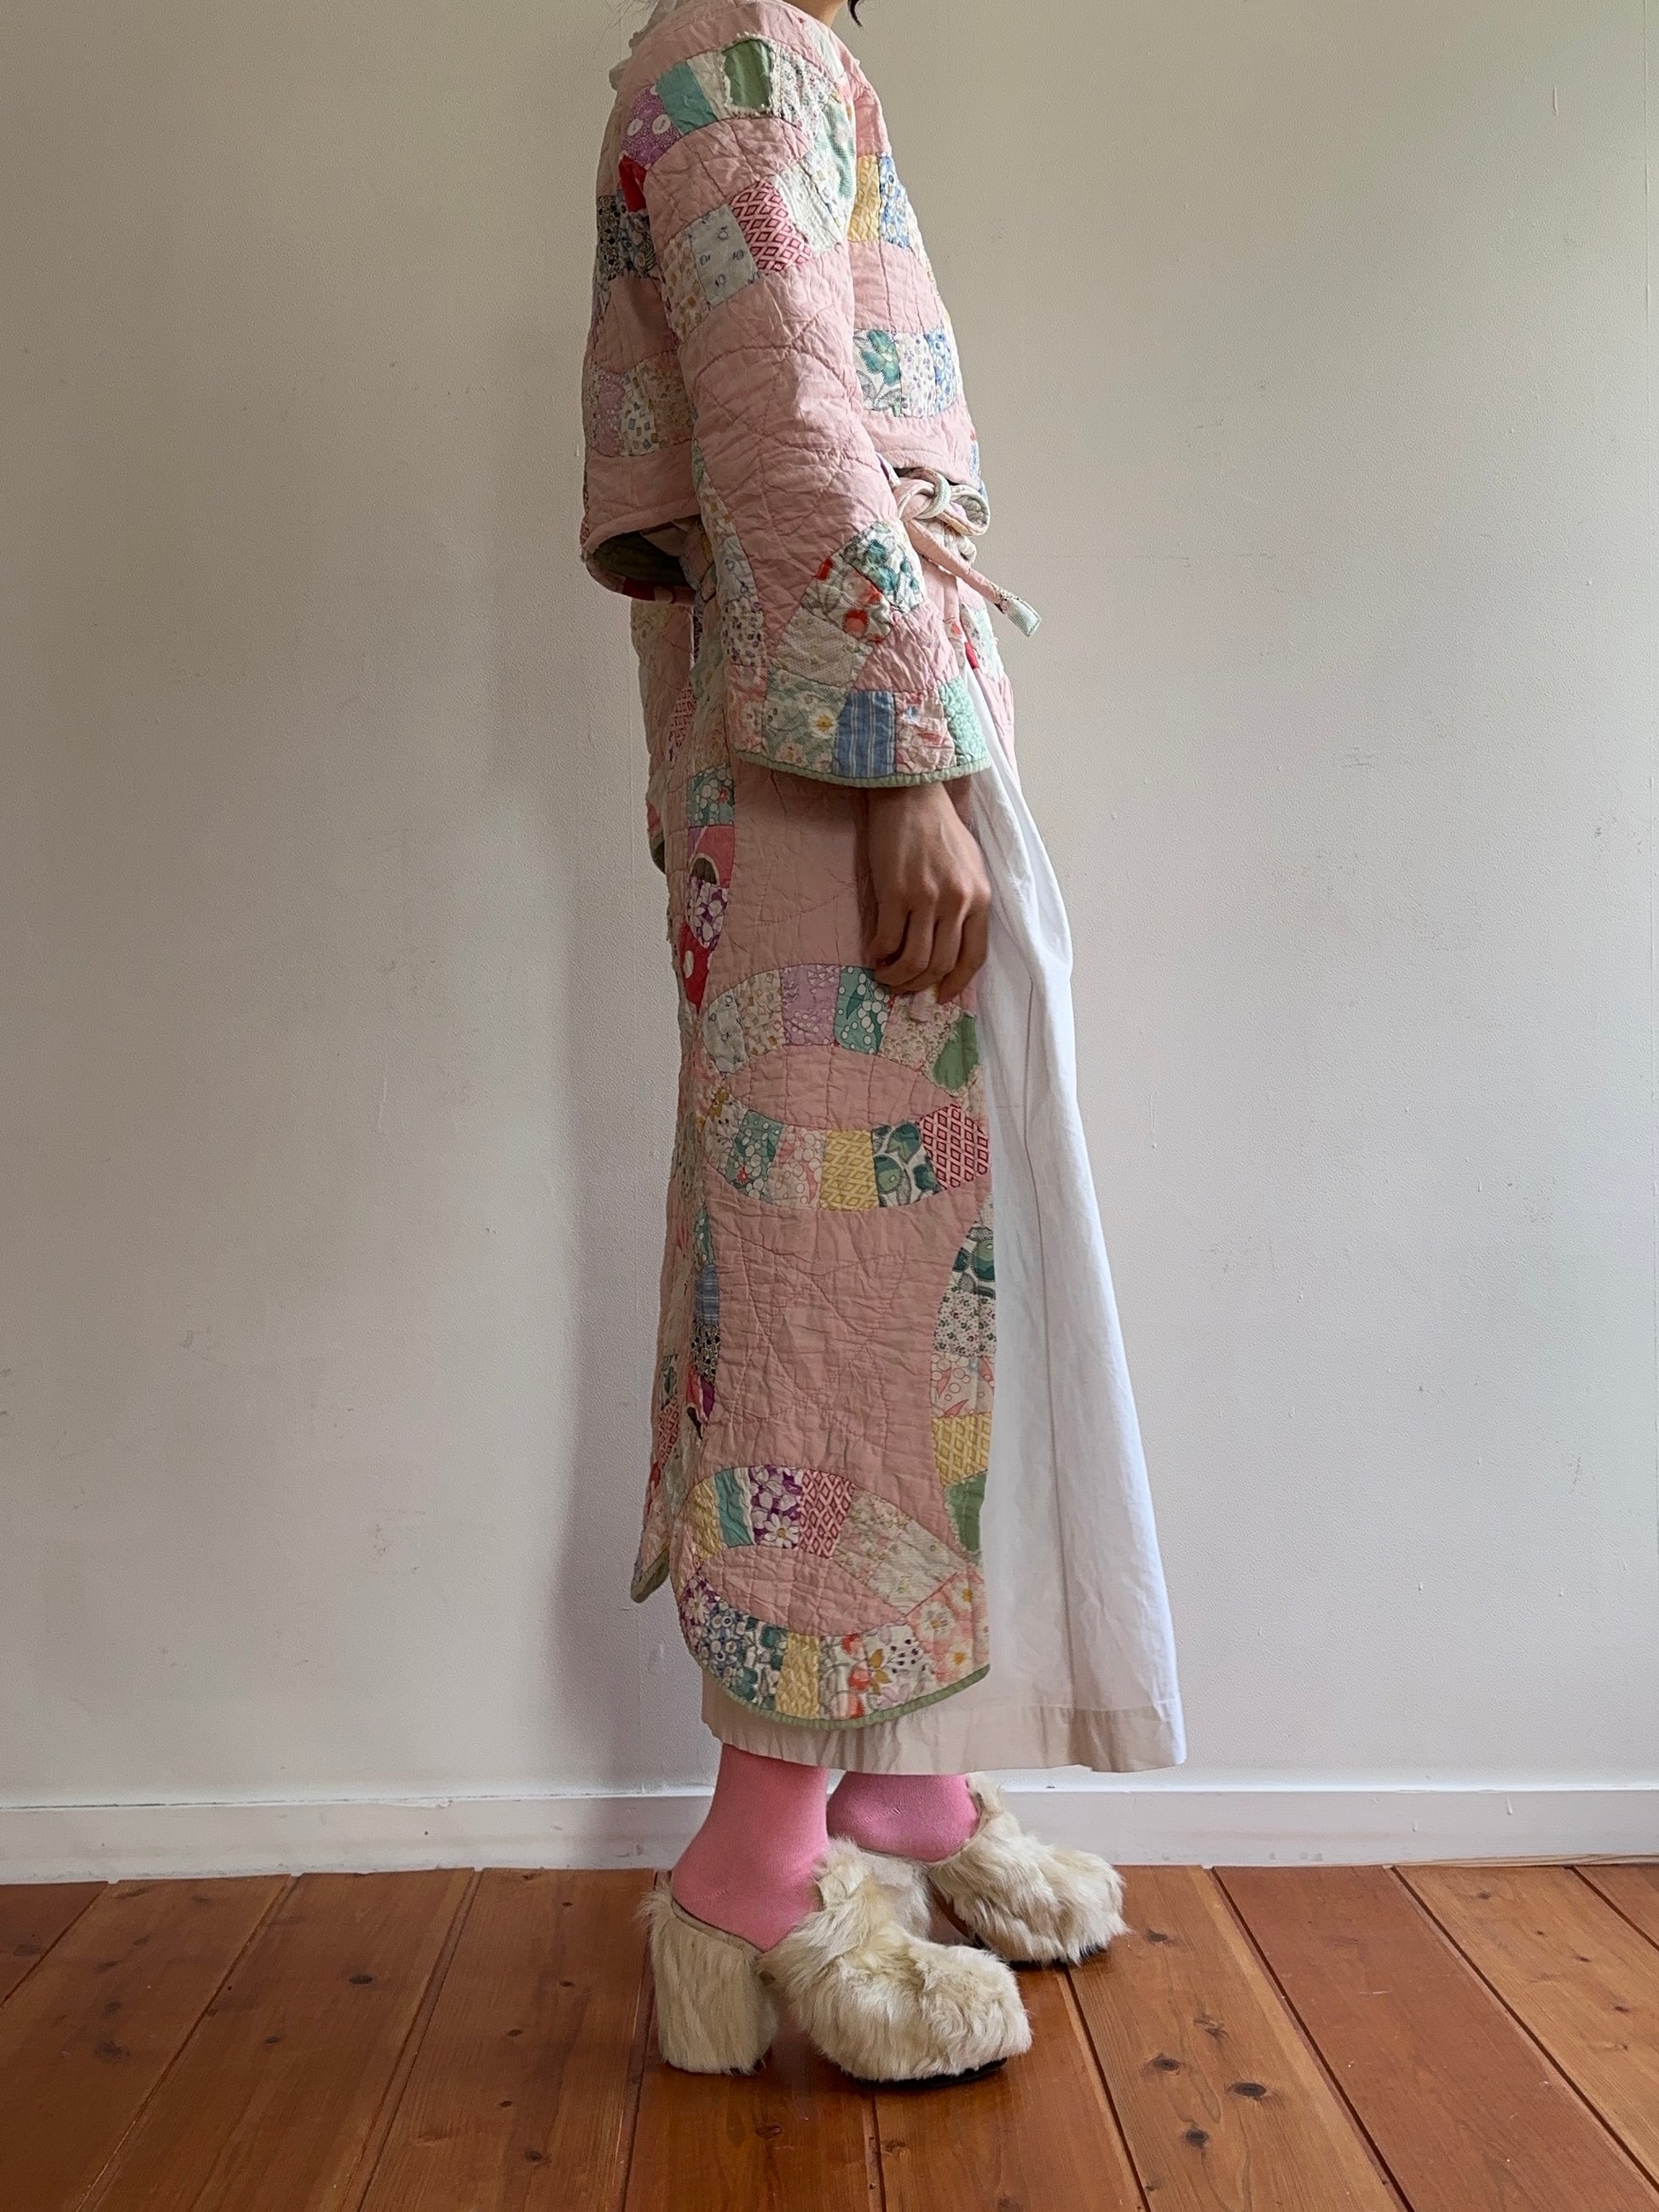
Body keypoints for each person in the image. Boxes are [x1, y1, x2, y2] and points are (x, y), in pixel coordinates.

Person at [580, 0, 1185, 2082]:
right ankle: (750, 1872)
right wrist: (906, 759)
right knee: (830, 1284)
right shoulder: (740, 51)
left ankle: (904, 1789)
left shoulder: (766, 54)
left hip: (838, 713)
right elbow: (785, 430)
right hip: (831, 746)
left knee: (920, 1268)